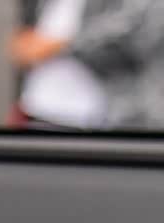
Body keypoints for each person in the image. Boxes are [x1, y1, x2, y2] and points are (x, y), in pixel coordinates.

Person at [10, 0, 164, 128]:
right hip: (38, 109)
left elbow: (133, 38)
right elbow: (25, 44)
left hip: (95, 115)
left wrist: (58, 46)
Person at [11, 0, 109, 127]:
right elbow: (20, 47)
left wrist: (39, 46)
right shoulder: (44, 4)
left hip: (78, 112)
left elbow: (37, 48)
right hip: (39, 107)